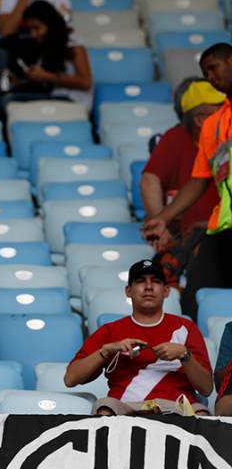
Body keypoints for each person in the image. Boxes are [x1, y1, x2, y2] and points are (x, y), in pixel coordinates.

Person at [144, 43, 232, 320]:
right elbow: (199, 181)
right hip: (222, 228)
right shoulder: (214, 126)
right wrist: (164, 217)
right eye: (205, 72)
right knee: (195, 301)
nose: (210, 76)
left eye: (214, 68)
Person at [64, 260, 213, 415]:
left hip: (176, 406)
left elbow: (207, 388)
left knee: (202, 414)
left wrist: (184, 355)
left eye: (155, 281)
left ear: (166, 291)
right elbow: (70, 379)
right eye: (141, 281)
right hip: (126, 407)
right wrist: (106, 351)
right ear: (128, 291)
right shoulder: (111, 330)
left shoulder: (186, 328)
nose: (148, 287)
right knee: (104, 409)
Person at [140, 79, 222, 297]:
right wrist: (161, 223)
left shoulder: (225, 141)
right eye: (221, 110)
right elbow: (149, 179)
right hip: (197, 241)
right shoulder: (177, 138)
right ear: (200, 119)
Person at [0, 0, 92, 110]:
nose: (33, 34)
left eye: (37, 28)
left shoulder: (73, 42)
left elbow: (86, 82)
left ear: (50, 24)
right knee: (5, 102)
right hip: (52, 98)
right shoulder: (45, 45)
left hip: (73, 100)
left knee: (8, 101)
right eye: (30, 30)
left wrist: (47, 77)